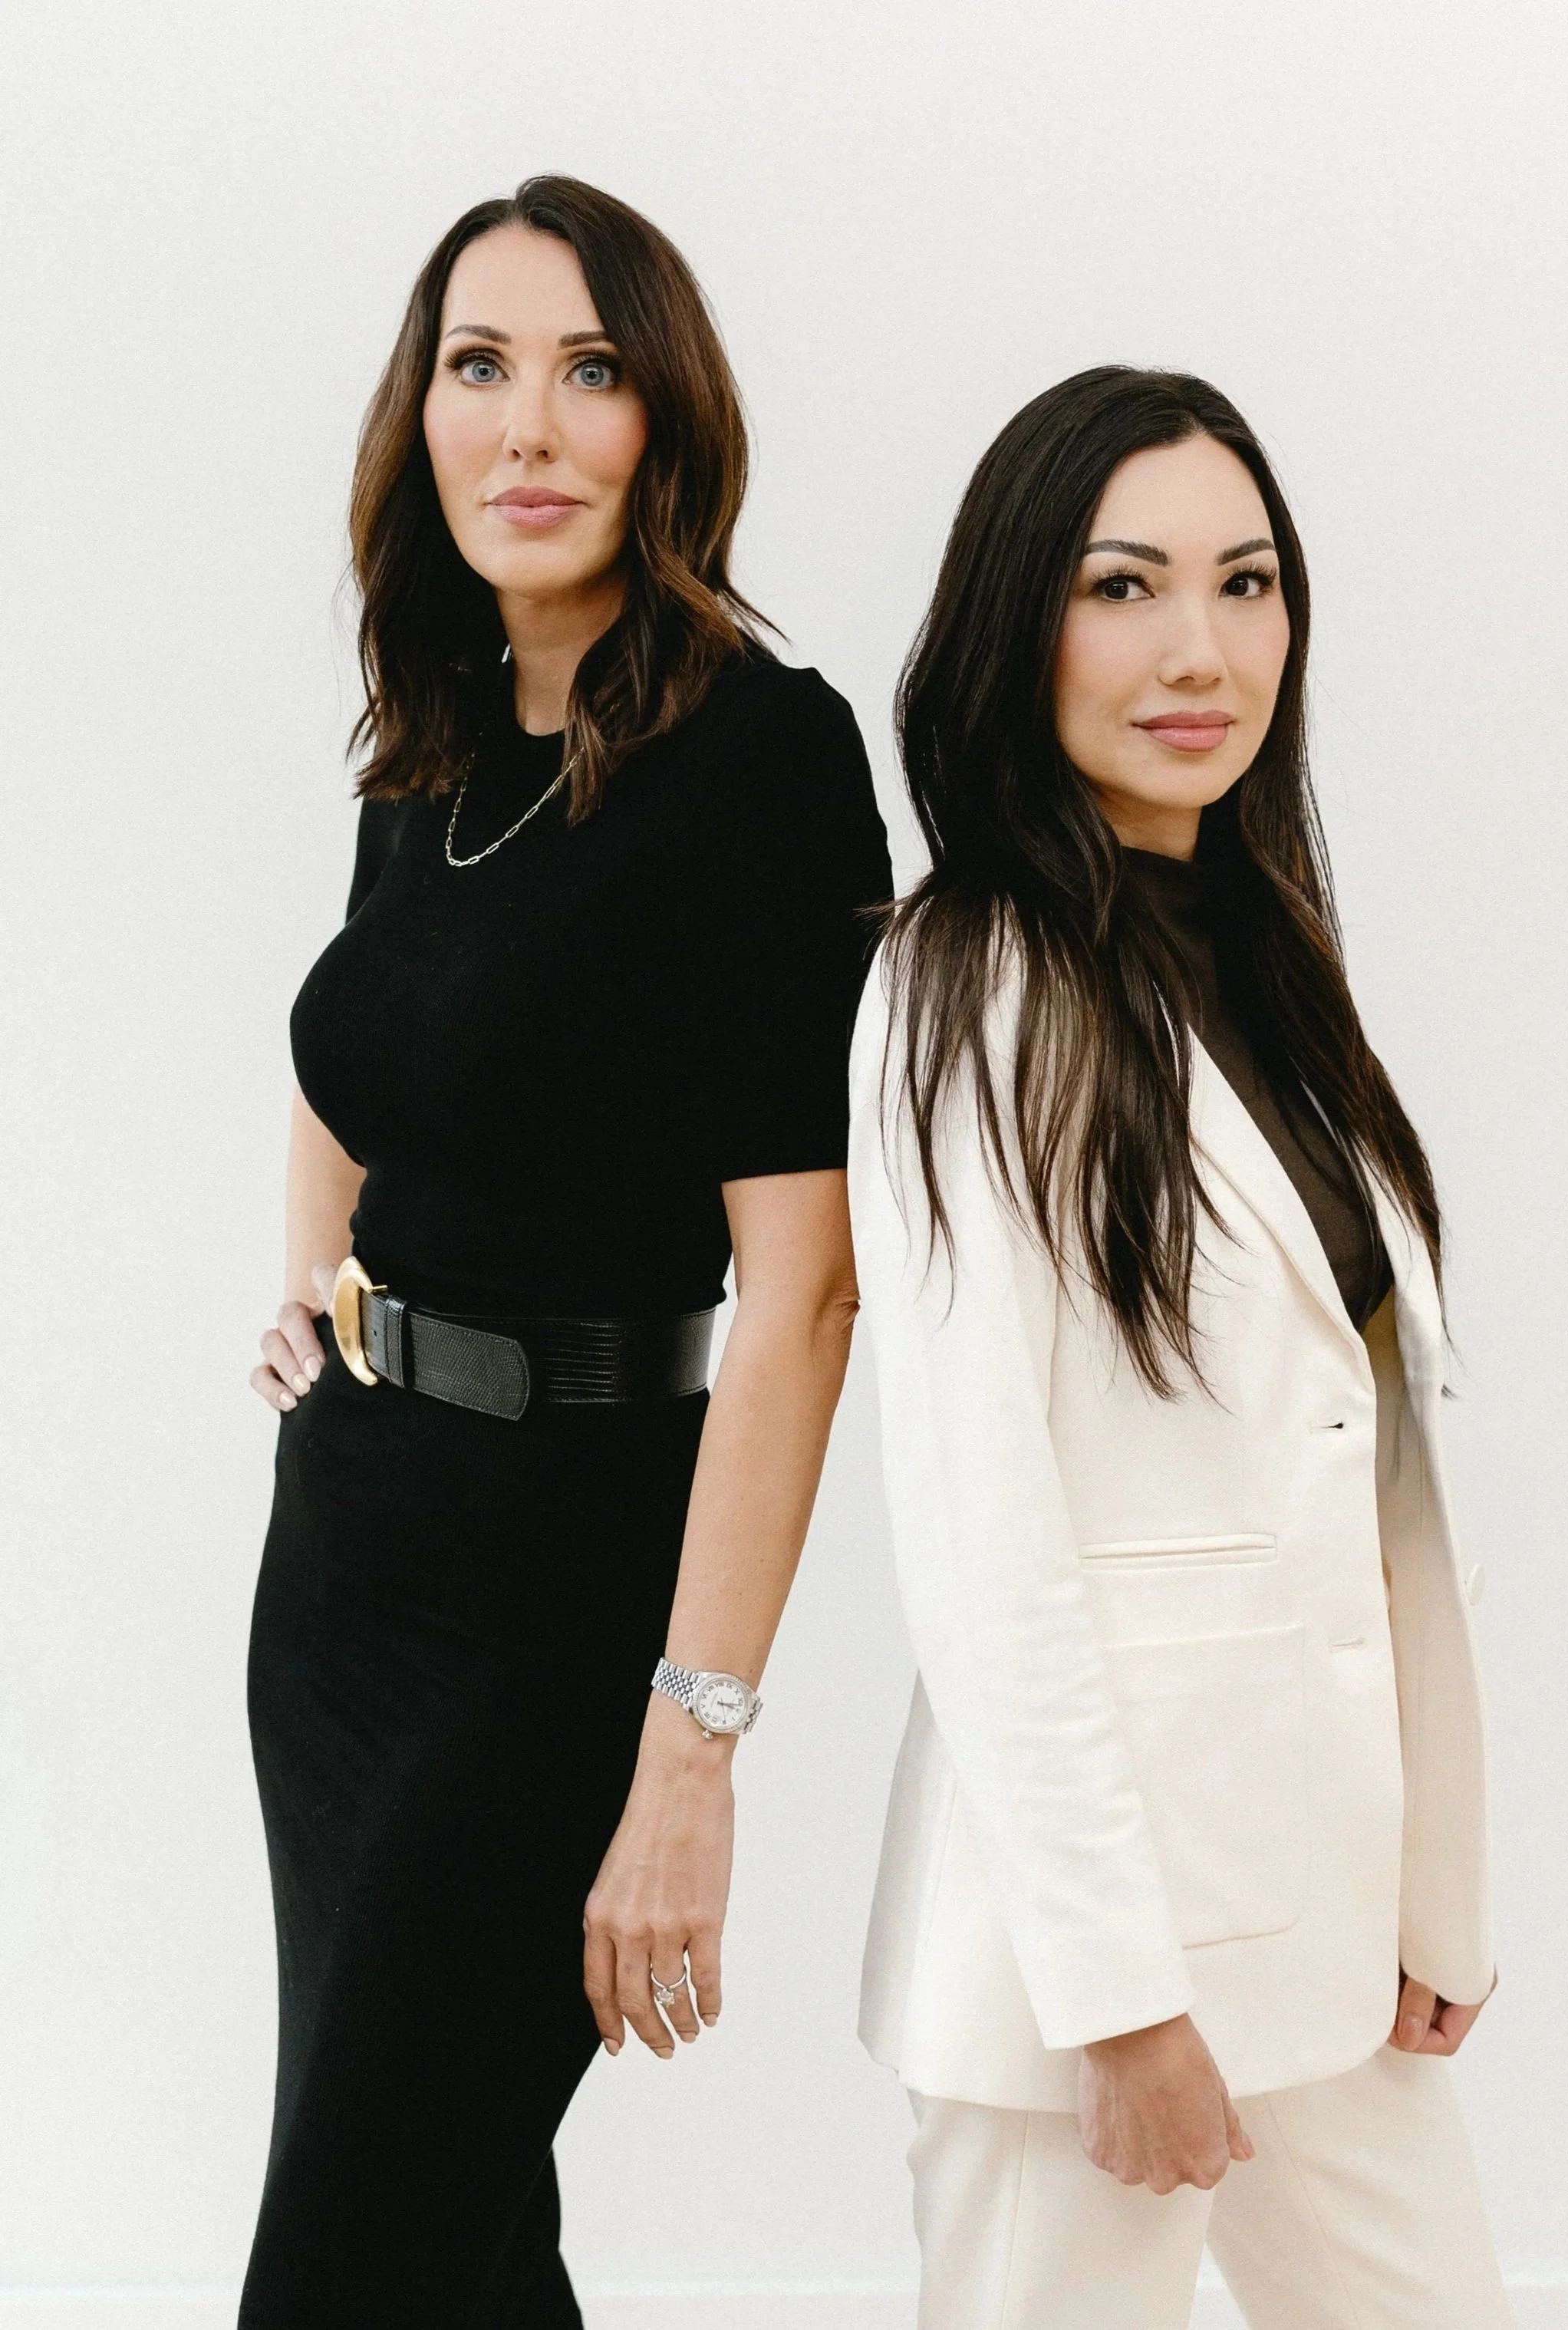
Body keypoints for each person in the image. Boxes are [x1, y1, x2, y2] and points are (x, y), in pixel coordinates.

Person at [242, 175, 890, 2329]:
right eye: (478, 365)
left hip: (557, 1613)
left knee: (347, 2247)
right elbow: (362, 1045)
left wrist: (687, 1745)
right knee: (440, 2233)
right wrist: (315, 1279)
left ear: (663, 420)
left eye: (588, 369)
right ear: (416, 420)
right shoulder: (430, 731)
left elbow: (801, 1290)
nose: (529, 425)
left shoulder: (761, 761)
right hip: (340, 1573)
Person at [848, 367, 1510, 2328]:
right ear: (1011, 626)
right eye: (1122, 585)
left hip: (1313, 1921)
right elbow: (981, 1534)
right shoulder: (965, 982)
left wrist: (1433, 1884)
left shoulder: (1265, 960)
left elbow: (1371, 1473)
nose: (1197, 649)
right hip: (1098, 1970)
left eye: (1244, 583)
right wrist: (1120, 2003)